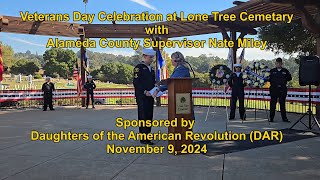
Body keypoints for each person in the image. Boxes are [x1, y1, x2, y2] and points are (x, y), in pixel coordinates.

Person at [152, 51, 195, 120]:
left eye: (172, 59)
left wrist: (159, 89)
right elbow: (172, 81)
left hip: (181, 98)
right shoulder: (179, 68)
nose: (171, 61)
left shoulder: (181, 69)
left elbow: (172, 82)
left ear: (176, 60)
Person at [133, 48, 156, 145]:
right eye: (150, 57)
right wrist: (144, 91)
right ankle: (143, 138)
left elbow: (152, 82)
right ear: (145, 56)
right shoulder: (139, 68)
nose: (152, 59)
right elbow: (137, 83)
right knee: (143, 117)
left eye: (153, 57)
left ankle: (148, 135)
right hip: (142, 97)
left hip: (150, 96)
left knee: (149, 116)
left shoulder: (151, 69)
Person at [269, 58, 292, 122]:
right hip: (274, 89)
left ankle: (284, 118)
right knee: (273, 104)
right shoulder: (272, 71)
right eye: (277, 63)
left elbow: (290, 78)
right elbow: (268, 78)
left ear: (282, 63)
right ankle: (271, 118)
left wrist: (284, 80)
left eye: (280, 63)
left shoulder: (285, 71)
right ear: (275, 63)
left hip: (282, 89)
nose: (278, 64)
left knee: (282, 104)